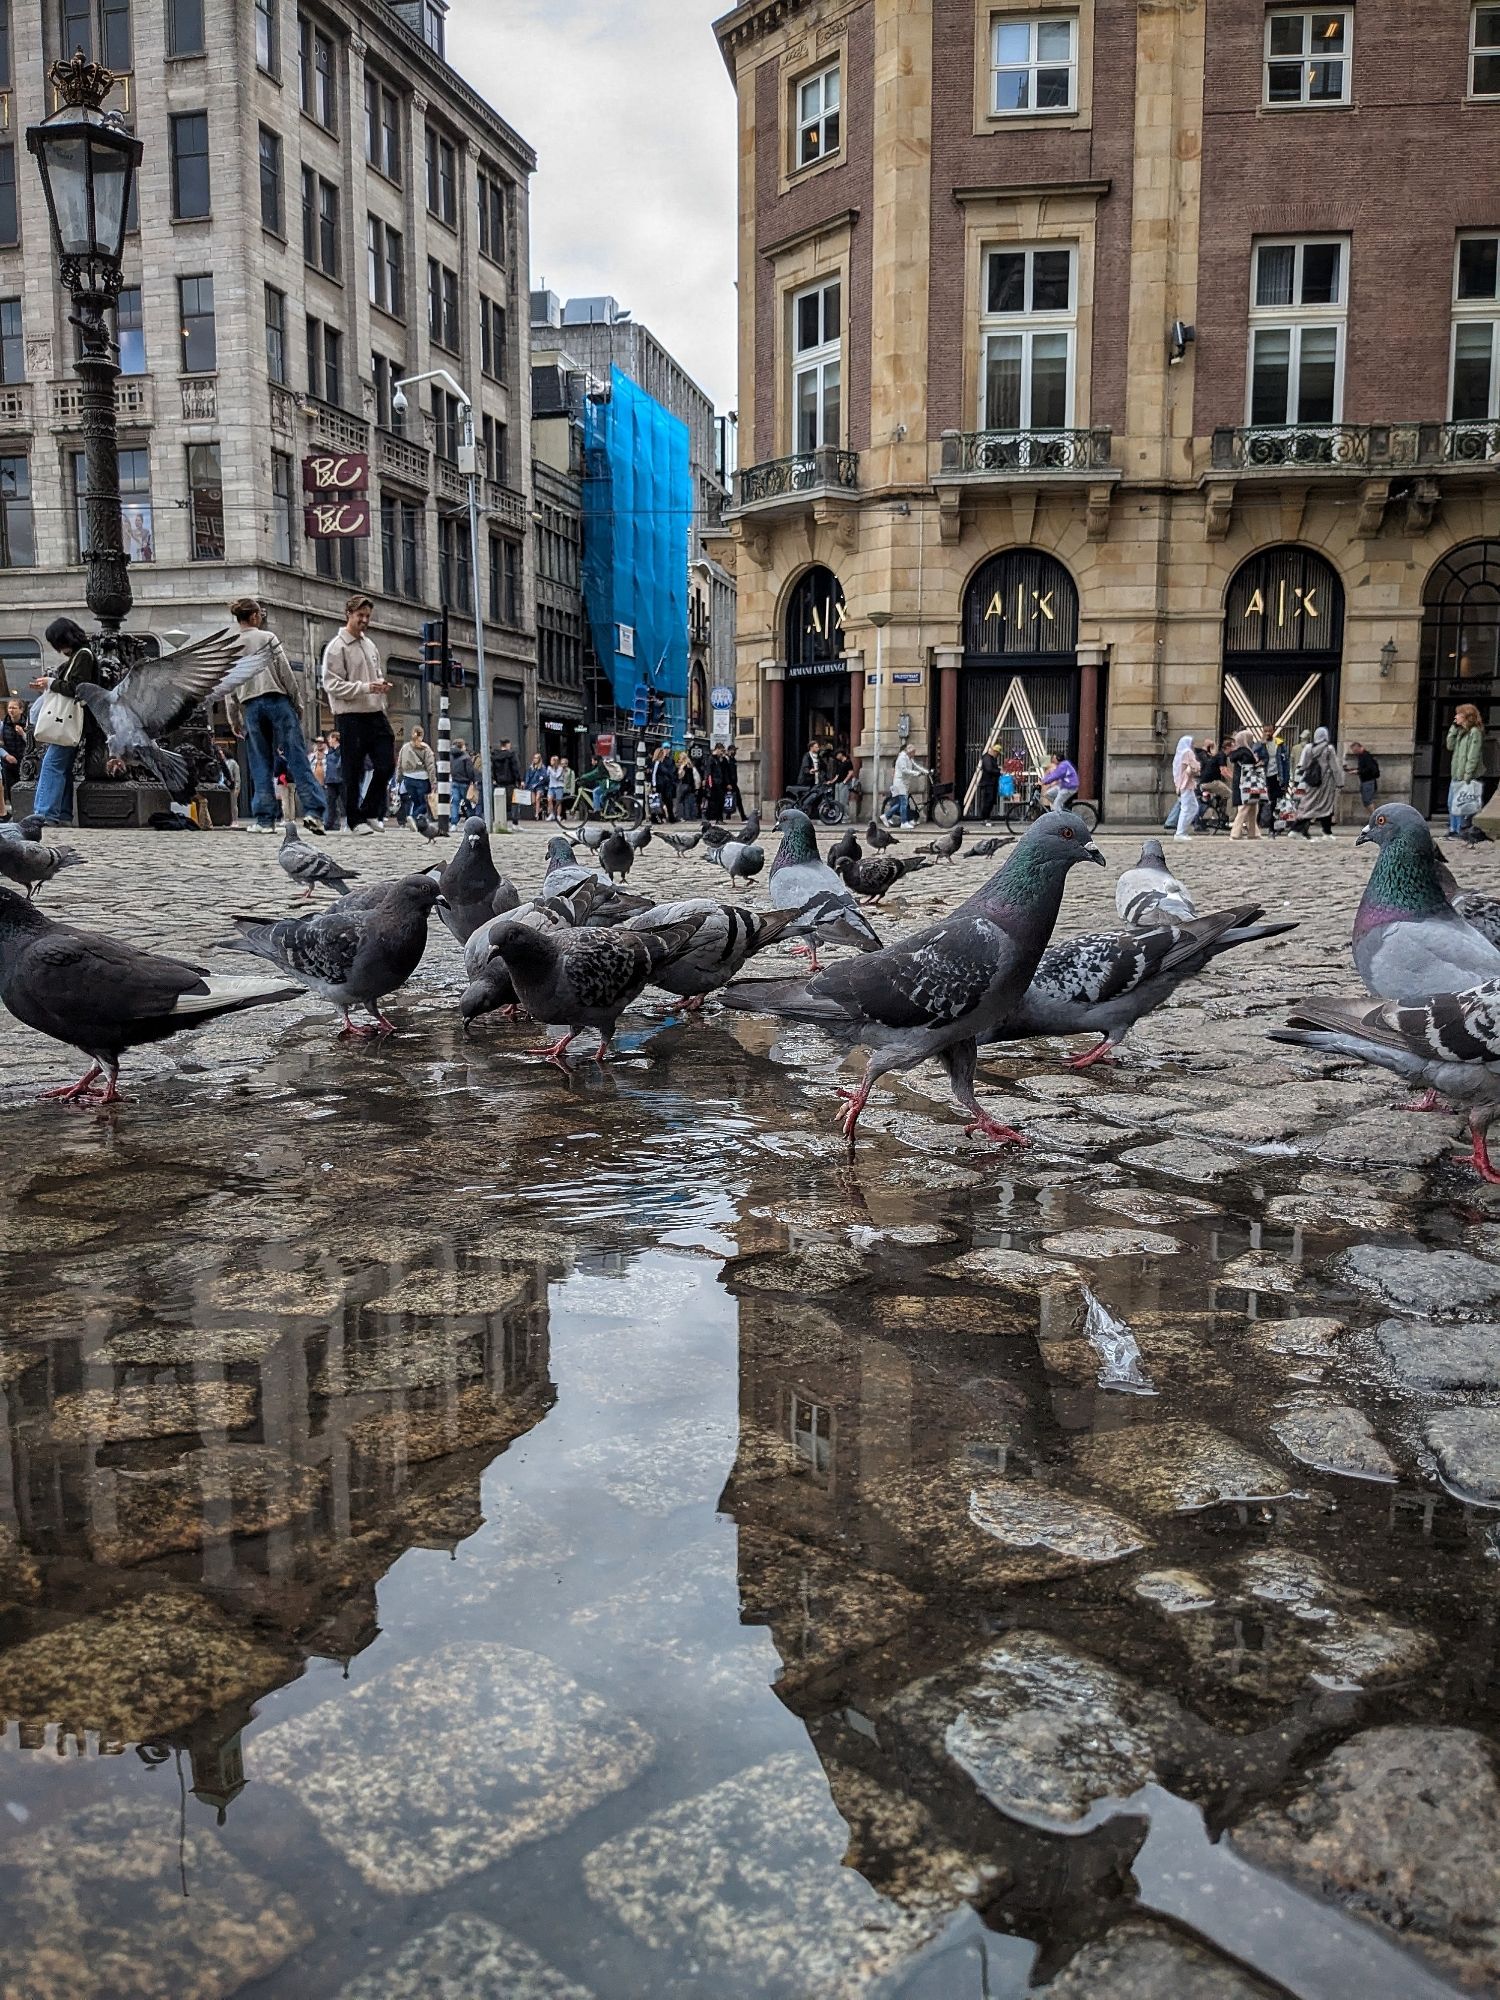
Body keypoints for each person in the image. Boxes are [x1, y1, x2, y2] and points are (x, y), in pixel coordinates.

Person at [226, 598, 328, 835]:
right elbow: (286, 673)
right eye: (259, 614)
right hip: (277, 700)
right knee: (296, 758)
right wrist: (297, 702)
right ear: (253, 617)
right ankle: (314, 811)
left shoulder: (230, 645)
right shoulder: (267, 638)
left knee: (260, 764)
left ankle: (264, 820)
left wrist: (234, 719)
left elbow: (228, 686)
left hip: (250, 705)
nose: (261, 617)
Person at [320, 595, 394, 836]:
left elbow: (376, 672)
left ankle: (369, 810)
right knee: (353, 769)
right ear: (348, 615)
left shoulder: (370, 645)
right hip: (350, 714)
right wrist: (365, 687)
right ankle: (354, 819)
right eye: (360, 615)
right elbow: (332, 684)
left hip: (375, 711)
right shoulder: (336, 647)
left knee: (385, 764)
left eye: (367, 616)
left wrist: (380, 686)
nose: (364, 620)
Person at [31, 617, 95, 827]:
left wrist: (51, 683)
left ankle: (45, 814)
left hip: (65, 720)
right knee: (62, 768)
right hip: (70, 721)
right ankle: (63, 815)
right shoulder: (81, 654)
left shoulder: (83, 656)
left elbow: (76, 687)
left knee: (52, 765)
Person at [1291, 725, 1340, 839]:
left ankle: (1299, 829)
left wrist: (1298, 780)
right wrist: (1339, 782)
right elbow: (1335, 767)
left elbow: (1302, 765)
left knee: (1308, 804)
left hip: (1311, 781)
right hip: (1325, 782)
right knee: (1325, 806)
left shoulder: (1308, 748)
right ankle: (1325, 832)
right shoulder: (1329, 749)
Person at [1447, 703, 1486, 837]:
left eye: (1458, 714)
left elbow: (1473, 755)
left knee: (1462, 804)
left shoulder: (1474, 733)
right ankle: (1453, 829)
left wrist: (1467, 775)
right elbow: (1449, 746)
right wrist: (1453, 728)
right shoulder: (1461, 732)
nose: (1455, 716)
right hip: (1456, 774)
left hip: (1466, 776)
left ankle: (1460, 830)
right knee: (1452, 802)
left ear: (1466, 716)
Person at [1228, 728, 1264, 840]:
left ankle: (1253, 832)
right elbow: (1249, 766)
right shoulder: (1246, 752)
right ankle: (1235, 832)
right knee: (1245, 808)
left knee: (1252, 807)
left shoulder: (1237, 752)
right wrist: (1258, 763)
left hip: (1241, 782)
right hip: (1248, 783)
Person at [396, 725, 436, 824]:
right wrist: (433, 782)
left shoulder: (405, 747)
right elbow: (430, 766)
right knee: (424, 803)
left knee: (416, 802)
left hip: (408, 779)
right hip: (422, 779)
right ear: (422, 735)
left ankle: (415, 823)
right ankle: (413, 818)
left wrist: (398, 778)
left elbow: (399, 764)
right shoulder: (426, 748)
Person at [889, 743, 928, 826]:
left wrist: (926, 772)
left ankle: (890, 816)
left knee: (903, 803)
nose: (914, 754)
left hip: (904, 783)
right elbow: (904, 770)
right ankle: (902, 821)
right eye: (913, 752)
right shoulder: (902, 758)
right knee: (902, 803)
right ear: (909, 752)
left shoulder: (909, 758)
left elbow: (916, 765)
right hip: (900, 783)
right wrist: (916, 773)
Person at [1171, 734, 1201, 842]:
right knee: (1188, 808)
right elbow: (1195, 766)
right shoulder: (1188, 753)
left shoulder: (1180, 754)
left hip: (1183, 783)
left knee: (1192, 807)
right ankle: (1180, 832)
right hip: (1187, 783)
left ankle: (1182, 831)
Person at [1, 697, 26, 814]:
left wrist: (23, 734)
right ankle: (15, 811)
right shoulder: (3, 725)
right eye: (9, 708)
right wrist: (6, 756)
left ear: (21, 710)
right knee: (10, 787)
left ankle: (24, 810)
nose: (11, 710)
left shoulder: (27, 724)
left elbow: (34, 743)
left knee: (24, 787)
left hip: (25, 764)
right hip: (8, 763)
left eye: (14, 708)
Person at [491, 738, 522, 827]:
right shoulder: (511, 755)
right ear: (508, 745)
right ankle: (515, 823)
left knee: (500, 802)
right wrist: (519, 780)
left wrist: (495, 779)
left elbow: (493, 770)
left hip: (499, 783)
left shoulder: (495, 756)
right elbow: (515, 769)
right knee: (514, 802)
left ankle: (501, 822)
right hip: (511, 782)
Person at [1199, 738, 1231, 814]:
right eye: (1233, 747)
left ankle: (1219, 813)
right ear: (1227, 747)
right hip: (1212, 782)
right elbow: (1224, 771)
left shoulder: (1217, 755)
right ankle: (1230, 818)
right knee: (1231, 795)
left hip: (1204, 781)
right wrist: (1234, 779)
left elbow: (1227, 770)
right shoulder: (1221, 755)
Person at [1349, 741, 1381, 811]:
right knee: (1366, 801)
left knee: (1367, 801)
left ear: (1359, 748)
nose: (1354, 753)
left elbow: (1369, 769)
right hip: (1366, 781)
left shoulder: (1366, 755)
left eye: (1355, 751)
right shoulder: (1362, 756)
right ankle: (1373, 817)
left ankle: (1374, 818)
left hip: (1368, 781)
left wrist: (1358, 771)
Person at [449, 739, 476, 821]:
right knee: (467, 802)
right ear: (462, 746)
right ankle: (471, 820)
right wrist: (472, 780)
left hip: (454, 781)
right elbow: (470, 771)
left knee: (455, 803)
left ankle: (453, 822)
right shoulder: (466, 757)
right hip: (465, 782)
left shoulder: (451, 756)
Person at [323, 730, 343, 830]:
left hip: (340, 780)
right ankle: (330, 823)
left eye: (330, 738)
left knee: (345, 802)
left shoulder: (341, 750)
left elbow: (339, 764)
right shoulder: (330, 751)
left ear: (335, 739)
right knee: (331, 803)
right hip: (331, 780)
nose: (328, 741)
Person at [975, 746, 1001, 823]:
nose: (998, 755)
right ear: (994, 752)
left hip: (991, 783)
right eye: (997, 753)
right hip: (988, 783)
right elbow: (989, 769)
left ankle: (987, 817)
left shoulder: (990, 758)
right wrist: (999, 771)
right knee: (988, 800)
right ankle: (984, 818)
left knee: (991, 800)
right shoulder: (987, 758)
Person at [652, 744, 677, 821]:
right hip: (659, 785)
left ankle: (670, 817)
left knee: (668, 801)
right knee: (657, 803)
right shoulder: (657, 763)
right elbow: (654, 774)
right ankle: (657, 818)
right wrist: (654, 785)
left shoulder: (666, 762)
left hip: (666, 785)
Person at [675, 752, 699, 821]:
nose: (679, 760)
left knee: (679, 801)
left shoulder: (683, 766)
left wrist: (679, 771)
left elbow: (680, 776)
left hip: (683, 785)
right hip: (690, 786)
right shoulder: (690, 765)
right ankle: (689, 816)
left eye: (679, 758)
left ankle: (681, 817)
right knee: (688, 801)